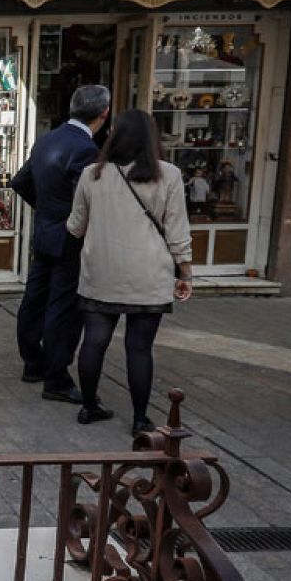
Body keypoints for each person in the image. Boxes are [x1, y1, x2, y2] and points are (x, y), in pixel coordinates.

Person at [67, 110, 193, 434]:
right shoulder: (169, 175)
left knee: (93, 341)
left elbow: (75, 227)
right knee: (139, 348)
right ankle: (139, 418)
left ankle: (88, 406)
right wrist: (186, 273)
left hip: (102, 272)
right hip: (150, 275)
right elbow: (177, 231)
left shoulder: (92, 175)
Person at [9, 84, 109, 405]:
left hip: (46, 232)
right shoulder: (86, 150)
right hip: (70, 237)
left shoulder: (47, 140)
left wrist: (47, 209)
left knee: (36, 298)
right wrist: (66, 217)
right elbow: (87, 201)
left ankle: (33, 361)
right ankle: (55, 376)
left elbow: (21, 181)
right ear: (103, 114)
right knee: (62, 307)